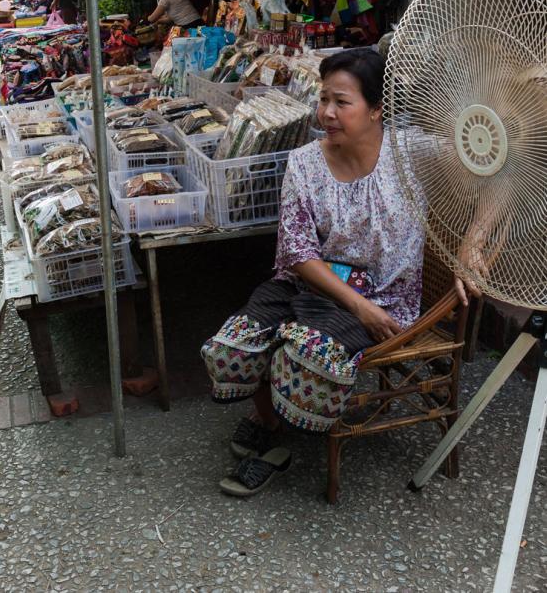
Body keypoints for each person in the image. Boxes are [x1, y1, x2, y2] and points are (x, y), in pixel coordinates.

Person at [200, 48, 476, 496]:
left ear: (376, 108)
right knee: (233, 343)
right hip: (316, 285)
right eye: (323, 99)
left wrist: (474, 249)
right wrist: (355, 305)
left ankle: (279, 444)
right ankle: (270, 424)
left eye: (342, 102)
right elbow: (297, 250)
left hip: (385, 298)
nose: (327, 112)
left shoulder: (415, 155)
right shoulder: (305, 163)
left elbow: (497, 174)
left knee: (304, 357)